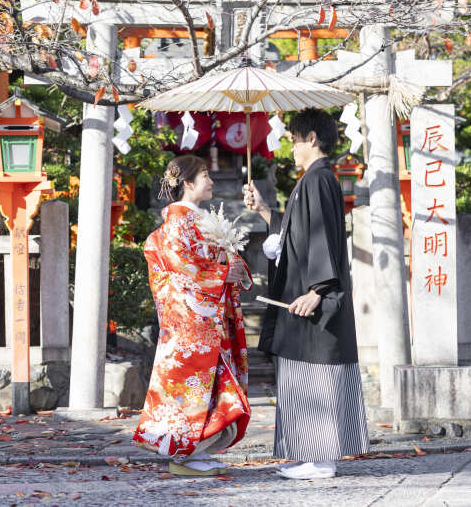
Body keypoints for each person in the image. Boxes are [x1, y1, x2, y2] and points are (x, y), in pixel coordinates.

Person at [243, 108, 369, 480]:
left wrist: (318, 289)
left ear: (311, 139)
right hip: (308, 292)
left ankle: (321, 459)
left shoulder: (318, 180)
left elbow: (323, 239)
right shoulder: (315, 179)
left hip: (314, 295)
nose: (292, 148)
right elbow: (298, 234)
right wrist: (266, 211)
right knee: (304, 371)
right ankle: (310, 455)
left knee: (316, 372)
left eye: (295, 140)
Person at [133, 155, 253, 476]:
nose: (211, 181)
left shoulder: (197, 220)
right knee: (196, 394)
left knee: (213, 393)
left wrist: (234, 268)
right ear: (187, 183)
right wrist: (221, 274)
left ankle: (192, 453)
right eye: (204, 176)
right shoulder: (177, 223)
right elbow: (183, 268)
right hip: (190, 326)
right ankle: (184, 455)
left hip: (206, 319)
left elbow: (214, 264)